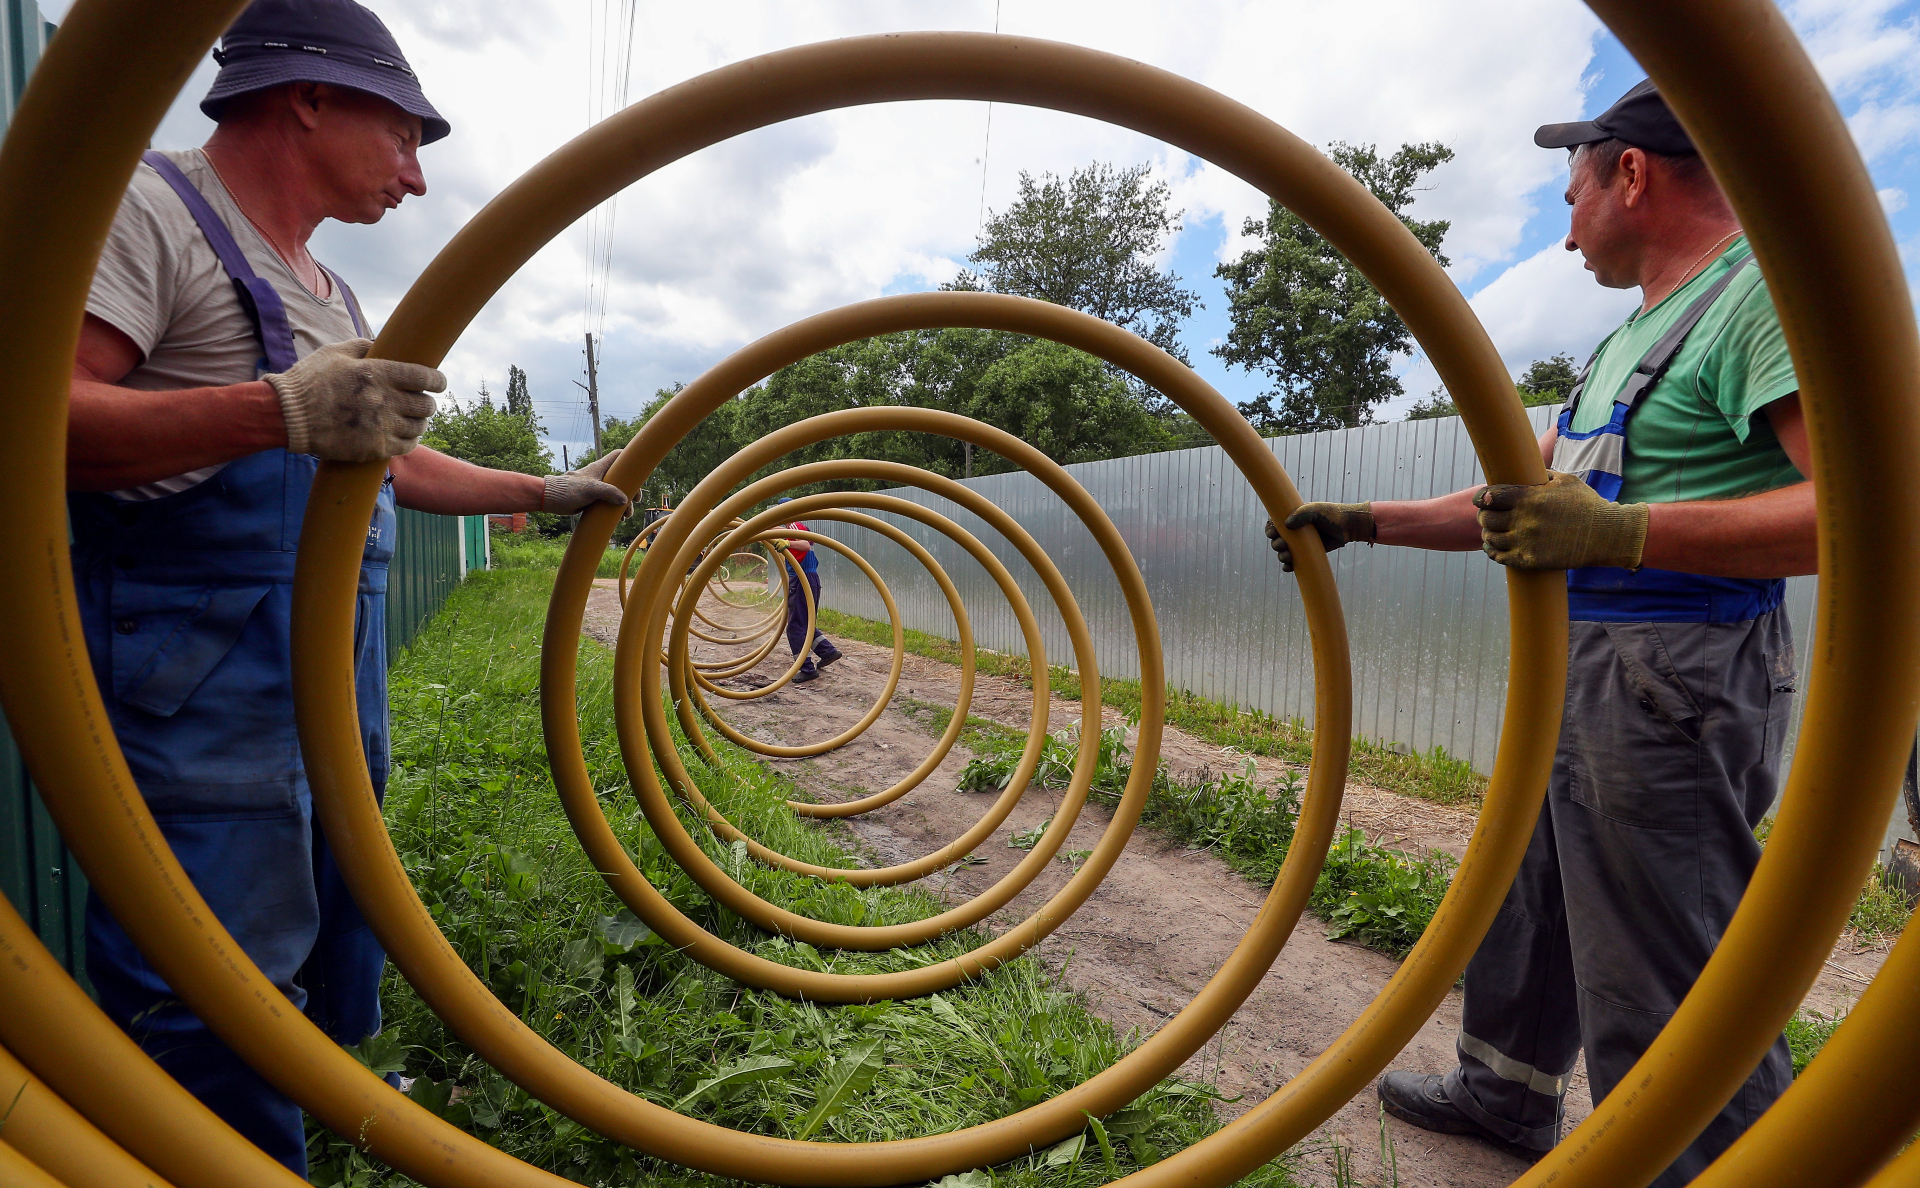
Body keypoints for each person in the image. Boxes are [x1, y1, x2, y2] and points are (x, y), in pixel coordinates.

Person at [65, 0, 627, 1174]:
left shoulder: (328, 289)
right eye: (408, 135)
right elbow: (42, 421)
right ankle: (220, 1157)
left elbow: (388, 460)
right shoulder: (148, 210)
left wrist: (537, 489)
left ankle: (328, 1088)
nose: (418, 179)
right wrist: (273, 411)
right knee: (210, 954)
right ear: (308, 94)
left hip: (321, 672)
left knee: (333, 897)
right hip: (201, 666)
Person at [1268, 80, 1810, 1184]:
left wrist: (1626, 532)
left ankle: (1723, 1165)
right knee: (1536, 895)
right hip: (1594, 658)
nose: (1563, 230)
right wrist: (1366, 522)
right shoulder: (1632, 337)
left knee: (1661, 949)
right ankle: (1505, 1096)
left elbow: (1863, 512)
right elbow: (1522, 503)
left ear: (1632, 173)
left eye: (1570, 195)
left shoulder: (1762, 299)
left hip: (1680, 666)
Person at [773, 497, 843, 683]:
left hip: (803, 579)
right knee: (804, 622)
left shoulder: (794, 526)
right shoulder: (793, 528)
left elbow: (804, 544)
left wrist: (787, 544)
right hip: (808, 578)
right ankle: (827, 651)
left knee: (795, 628)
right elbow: (776, 530)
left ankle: (806, 668)